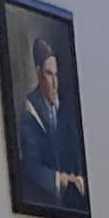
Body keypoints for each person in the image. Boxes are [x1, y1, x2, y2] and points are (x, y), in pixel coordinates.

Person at [17, 37, 86, 209]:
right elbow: (31, 166)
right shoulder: (30, 111)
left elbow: (76, 150)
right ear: (39, 73)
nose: (55, 83)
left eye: (56, 75)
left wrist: (79, 176)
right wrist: (58, 179)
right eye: (49, 74)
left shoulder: (65, 108)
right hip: (45, 199)